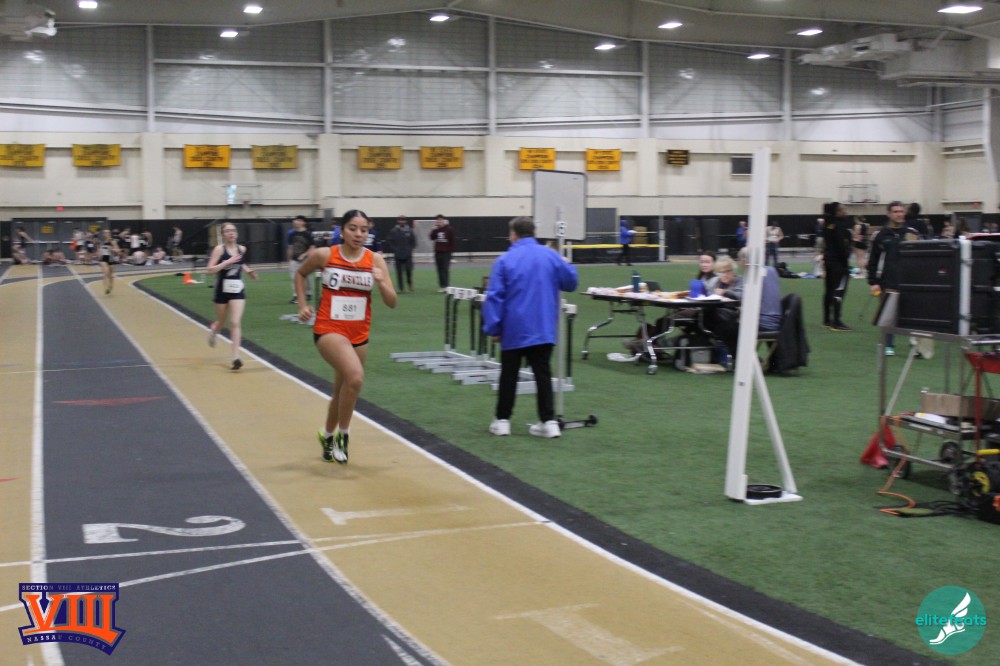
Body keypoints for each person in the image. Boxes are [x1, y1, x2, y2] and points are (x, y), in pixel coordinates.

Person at [296, 210, 397, 464]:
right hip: (329, 329)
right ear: (341, 231)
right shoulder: (325, 255)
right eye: (353, 228)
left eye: (364, 230)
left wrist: (382, 283)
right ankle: (343, 435)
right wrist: (302, 304)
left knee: (342, 390)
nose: (358, 234)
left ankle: (327, 435)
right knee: (355, 377)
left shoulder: (375, 260)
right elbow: (300, 274)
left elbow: (392, 302)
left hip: (359, 333)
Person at [483, 216, 578, 439]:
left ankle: (503, 420)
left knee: (509, 374)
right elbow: (571, 283)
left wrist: (494, 328)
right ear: (533, 232)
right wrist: (566, 263)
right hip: (543, 326)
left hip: (514, 326)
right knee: (543, 373)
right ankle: (549, 421)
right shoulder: (550, 256)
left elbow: (495, 296)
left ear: (513, 234)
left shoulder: (505, 260)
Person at [867, 201, 921, 356]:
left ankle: (915, 345)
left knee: (913, 315)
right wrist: (873, 282)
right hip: (887, 282)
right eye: (896, 211)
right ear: (889, 214)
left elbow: (920, 257)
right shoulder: (880, 235)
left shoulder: (912, 233)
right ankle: (888, 345)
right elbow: (873, 260)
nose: (899, 214)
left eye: (901, 211)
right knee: (888, 316)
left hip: (909, 282)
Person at [206, 222, 259, 371]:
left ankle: (236, 357)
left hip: (237, 289)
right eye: (227, 231)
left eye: (233, 230)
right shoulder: (219, 249)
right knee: (222, 322)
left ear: (237, 233)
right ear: (223, 235)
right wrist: (226, 262)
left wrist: (248, 271)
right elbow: (209, 270)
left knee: (235, 322)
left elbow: (241, 263)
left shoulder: (242, 249)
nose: (231, 233)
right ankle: (214, 331)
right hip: (221, 290)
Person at [821, 202, 853, 331]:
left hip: (828, 261)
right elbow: (841, 246)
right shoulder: (840, 225)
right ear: (837, 212)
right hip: (838, 263)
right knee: (839, 291)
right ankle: (837, 321)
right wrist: (845, 262)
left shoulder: (828, 224)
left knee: (829, 290)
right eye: (843, 210)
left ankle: (826, 320)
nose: (846, 212)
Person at [287, 215, 315, 305]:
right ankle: (296, 295)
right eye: (295, 220)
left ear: (303, 223)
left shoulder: (308, 234)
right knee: (294, 278)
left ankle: (307, 293)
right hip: (294, 259)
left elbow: (312, 247)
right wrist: (289, 259)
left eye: (299, 220)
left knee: (306, 277)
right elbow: (290, 247)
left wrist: (304, 255)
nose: (296, 222)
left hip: (305, 260)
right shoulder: (291, 234)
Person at [388, 214, 416, 292]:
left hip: (408, 255)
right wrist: (395, 249)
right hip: (398, 255)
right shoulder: (394, 231)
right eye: (400, 220)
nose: (402, 221)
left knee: (409, 270)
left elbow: (413, 242)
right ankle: (401, 288)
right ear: (398, 221)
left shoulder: (410, 230)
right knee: (399, 272)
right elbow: (390, 241)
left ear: (406, 221)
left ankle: (409, 284)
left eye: (403, 220)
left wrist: (409, 249)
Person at [430, 214, 455, 292]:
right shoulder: (436, 230)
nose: (439, 221)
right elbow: (431, 238)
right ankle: (441, 286)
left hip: (446, 253)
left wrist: (450, 253)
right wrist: (433, 230)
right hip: (438, 253)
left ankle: (446, 286)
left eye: (440, 220)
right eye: (437, 220)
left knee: (445, 269)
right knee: (439, 269)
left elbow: (452, 241)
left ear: (443, 221)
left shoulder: (449, 229)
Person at [97, 229, 118, 294]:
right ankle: (106, 288)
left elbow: (117, 250)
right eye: (105, 233)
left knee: (110, 275)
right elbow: (99, 250)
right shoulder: (101, 242)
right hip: (103, 259)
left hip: (111, 259)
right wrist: (99, 255)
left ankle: (110, 286)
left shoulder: (112, 241)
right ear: (103, 234)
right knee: (106, 273)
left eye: (108, 232)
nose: (107, 234)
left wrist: (112, 249)